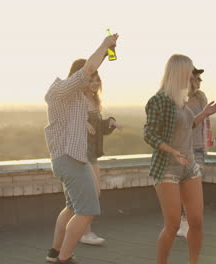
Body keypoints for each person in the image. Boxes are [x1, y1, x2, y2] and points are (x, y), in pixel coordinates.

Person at [44, 33, 118, 264]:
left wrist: (108, 52)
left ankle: (54, 253)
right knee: (87, 210)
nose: (92, 80)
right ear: (76, 76)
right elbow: (89, 67)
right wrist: (104, 45)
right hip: (70, 160)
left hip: (71, 159)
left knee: (71, 208)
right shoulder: (62, 91)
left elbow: (90, 70)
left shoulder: (73, 98)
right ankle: (64, 258)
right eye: (88, 76)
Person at [144, 54, 216, 264]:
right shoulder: (158, 100)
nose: (192, 76)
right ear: (179, 72)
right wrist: (171, 151)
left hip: (189, 168)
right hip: (167, 168)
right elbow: (149, 134)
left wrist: (205, 113)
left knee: (196, 221)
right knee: (173, 225)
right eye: (189, 71)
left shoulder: (182, 100)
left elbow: (186, 126)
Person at [63, 59, 123, 246]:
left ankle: (78, 232)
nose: (95, 83)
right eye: (91, 80)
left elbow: (98, 130)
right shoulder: (74, 99)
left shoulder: (94, 100)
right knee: (89, 194)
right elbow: (67, 124)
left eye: (97, 79)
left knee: (90, 195)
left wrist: (110, 122)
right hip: (79, 153)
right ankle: (84, 233)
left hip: (92, 153)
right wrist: (82, 122)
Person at [177, 67, 214, 238]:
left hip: (198, 148)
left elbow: (205, 121)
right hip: (181, 149)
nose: (199, 82)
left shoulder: (201, 97)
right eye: (196, 78)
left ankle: (188, 221)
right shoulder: (177, 100)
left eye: (200, 79)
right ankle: (182, 222)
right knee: (182, 187)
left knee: (194, 185)